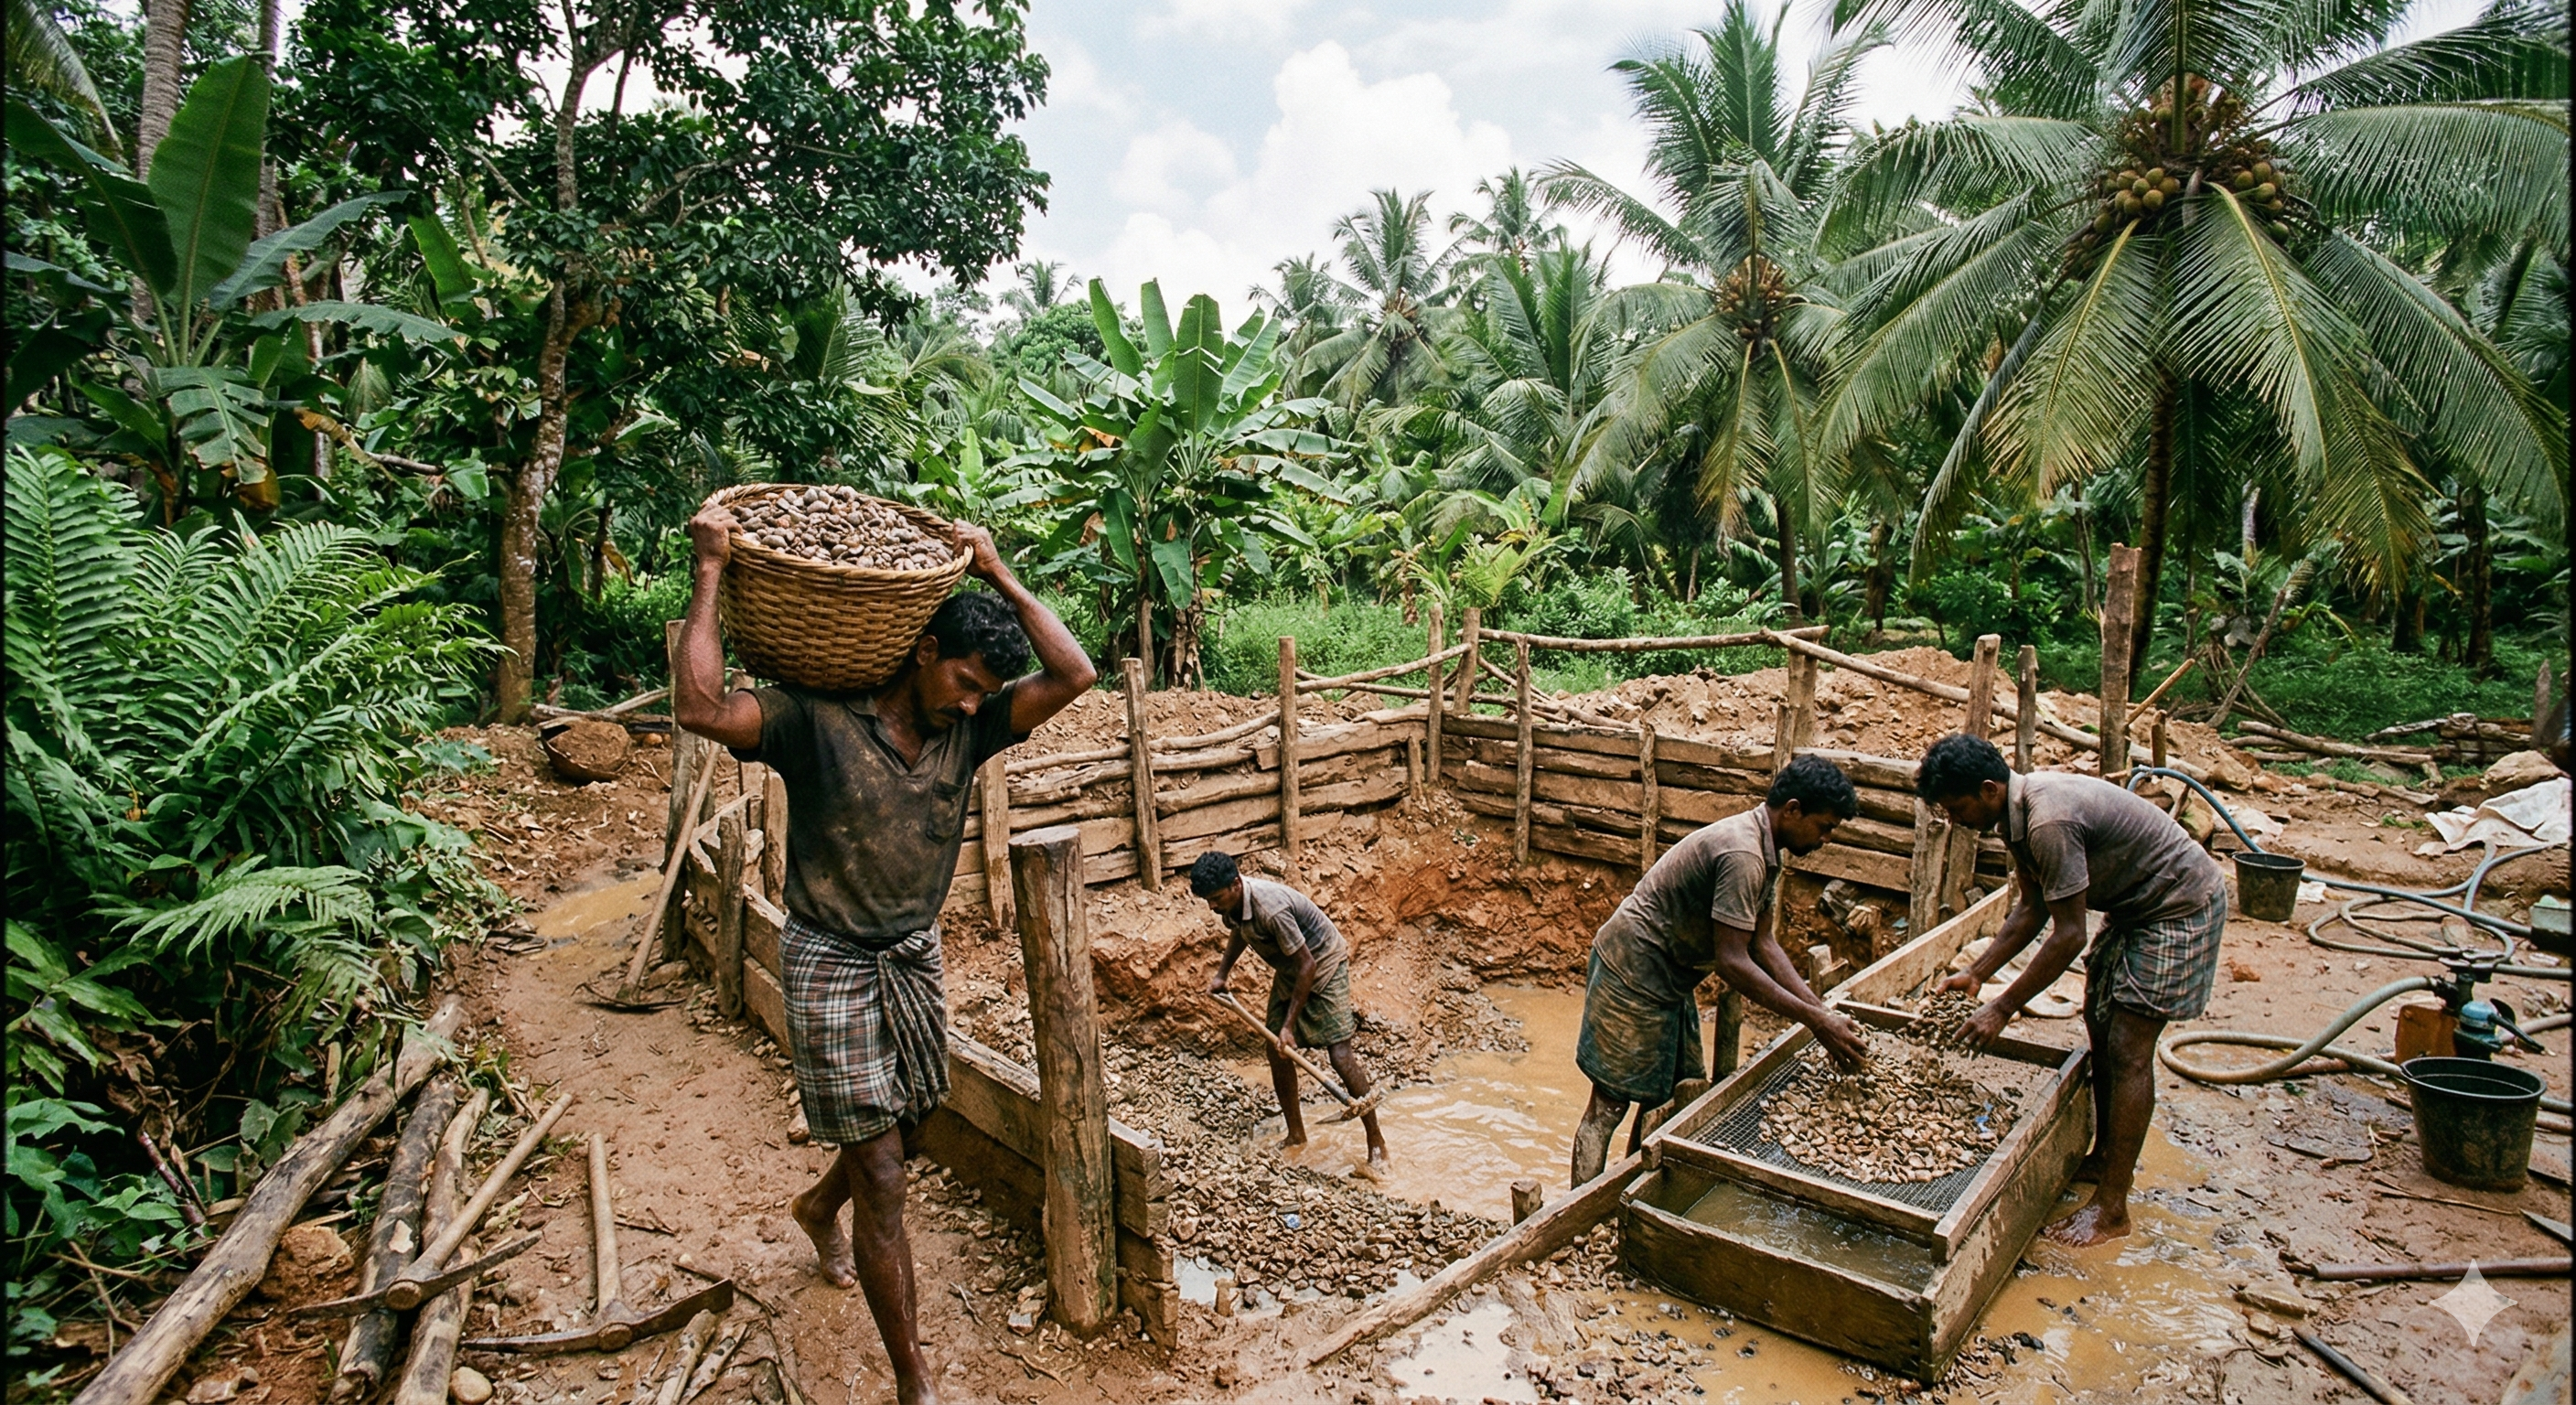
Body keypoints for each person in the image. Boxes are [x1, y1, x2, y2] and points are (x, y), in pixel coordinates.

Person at [673, 503, 1093, 1405]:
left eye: (986, 690)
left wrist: (998, 573)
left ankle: (818, 1207)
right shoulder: (812, 723)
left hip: (910, 953)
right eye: (963, 680)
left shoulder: (971, 732)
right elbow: (698, 706)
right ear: (921, 651)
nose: (974, 701)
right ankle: (916, 1383)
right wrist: (710, 568)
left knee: (914, 1120)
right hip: (828, 956)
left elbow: (1076, 671)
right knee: (887, 1177)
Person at [1912, 733, 2226, 1248]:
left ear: (1989, 789)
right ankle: (2105, 1157)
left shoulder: (2048, 820)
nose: (1953, 819)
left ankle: (2112, 1209)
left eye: (1956, 807)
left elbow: (2069, 934)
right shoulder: (2014, 817)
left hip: (2179, 907)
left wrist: (2004, 1007)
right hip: (2135, 906)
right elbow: (2032, 908)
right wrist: (1978, 973)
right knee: (2100, 1024)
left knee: (2128, 1048)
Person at [1571, 755, 1870, 1185]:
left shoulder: (1767, 851)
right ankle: (1576, 1214)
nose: (1825, 839)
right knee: (1609, 1104)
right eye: (1824, 827)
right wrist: (1815, 1022)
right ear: (1793, 810)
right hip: (1632, 969)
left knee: (1674, 1093)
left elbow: (1764, 944)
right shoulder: (1743, 854)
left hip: (1670, 974)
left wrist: (1821, 1012)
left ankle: (1630, 1188)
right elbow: (1733, 962)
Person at [1191, 851, 1390, 1177]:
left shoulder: (1272, 909)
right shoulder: (1233, 904)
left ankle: (1377, 1144)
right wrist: (1222, 974)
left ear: (1236, 885)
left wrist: (1289, 1027)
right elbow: (1240, 931)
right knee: (1276, 1050)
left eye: (1215, 898)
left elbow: (1308, 965)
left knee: (1340, 1056)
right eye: (1208, 901)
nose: (1212, 907)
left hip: (1324, 965)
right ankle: (1296, 1134)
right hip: (1292, 969)